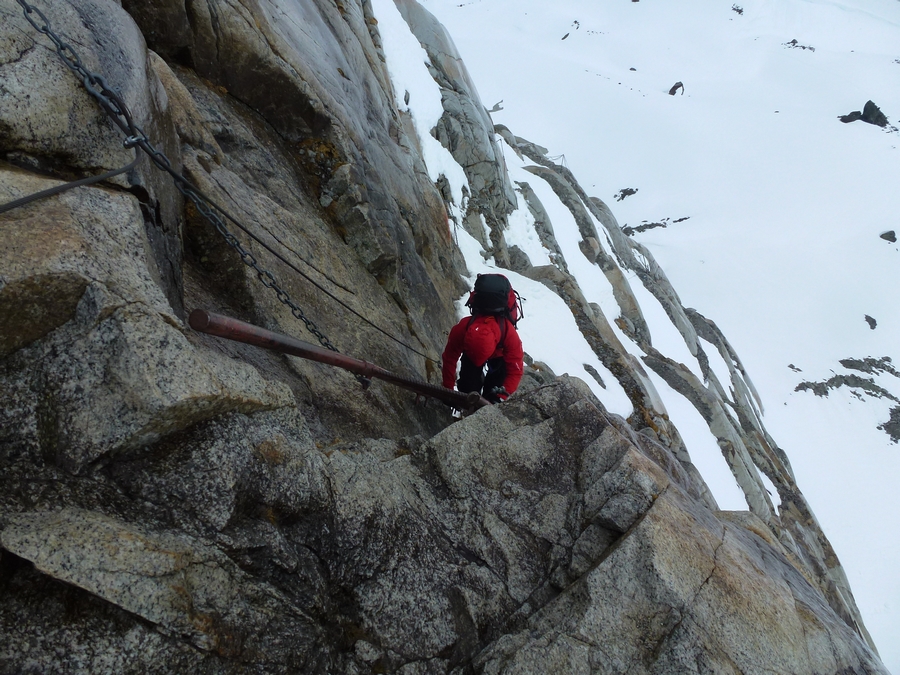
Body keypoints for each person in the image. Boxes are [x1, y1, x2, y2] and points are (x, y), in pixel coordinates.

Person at [441, 274, 524, 404]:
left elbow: (515, 370)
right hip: (474, 352)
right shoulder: (462, 329)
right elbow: (449, 358)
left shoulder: (508, 333)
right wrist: (448, 390)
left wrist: (502, 396)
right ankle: (468, 403)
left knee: (494, 390)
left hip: (499, 355)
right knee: (467, 388)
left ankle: (488, 402)